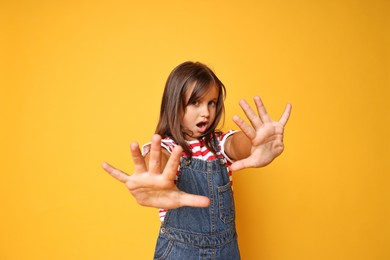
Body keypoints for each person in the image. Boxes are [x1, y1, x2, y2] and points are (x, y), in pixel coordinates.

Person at [102, 61, 291, 260]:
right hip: (179, 252)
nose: (206, 113)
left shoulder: (218, 143)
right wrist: (153, 175)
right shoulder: (167, 148)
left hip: (226, 252)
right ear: (174, 104)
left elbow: (236, 144)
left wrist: (255, 143)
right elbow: (159, 161)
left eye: (212, 102)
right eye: (196, 102)